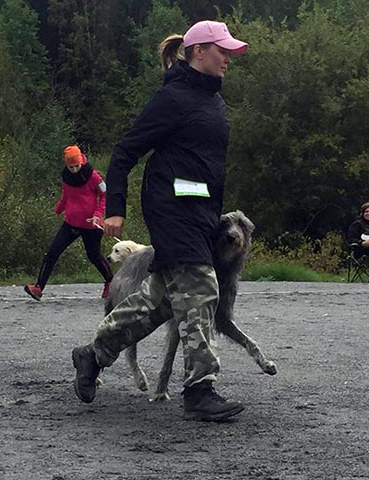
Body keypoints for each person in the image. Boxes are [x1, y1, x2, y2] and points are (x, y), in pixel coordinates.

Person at [71, 20, 249, 421]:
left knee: (157, 302)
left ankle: (92, 355)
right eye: (223, 51)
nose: (228, 59)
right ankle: (200, 391)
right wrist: (114, 207)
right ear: (198, 51)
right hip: (171, 211)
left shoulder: (211, 101)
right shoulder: (173, 99)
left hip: (200, 215)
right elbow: (125, 152)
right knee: (203, 290)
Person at [24, 146, 114, 301]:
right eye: (70, 167)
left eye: (76, 166)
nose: (74, 169)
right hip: (71, 223)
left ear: (81, 162)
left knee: (94, 256)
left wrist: (98, 215)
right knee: (52, 253)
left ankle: (111, 282)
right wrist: (58, 209)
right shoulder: (66, 177)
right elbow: (67, 195)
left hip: (91, 225)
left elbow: (105, 195)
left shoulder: (94, 176)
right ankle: (38, 288)